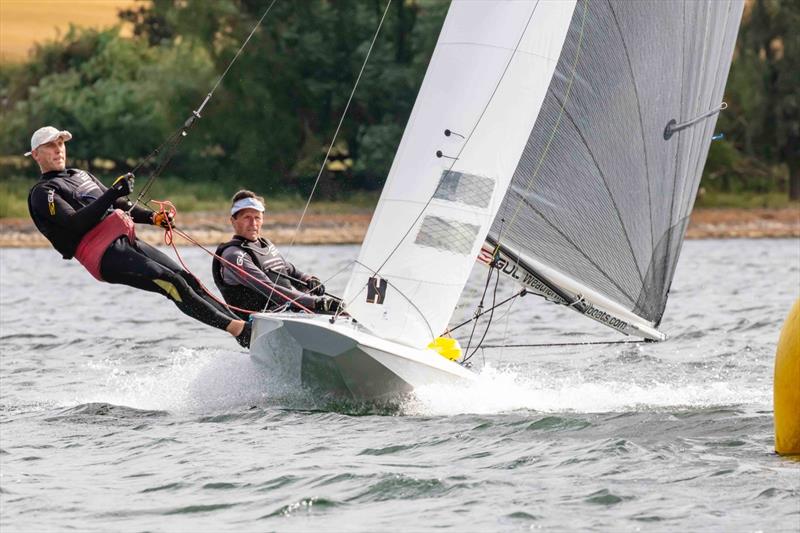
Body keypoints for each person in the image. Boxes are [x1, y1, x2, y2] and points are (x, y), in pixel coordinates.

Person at [25, 125, 253, 348]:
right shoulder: (43, 192)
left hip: (126, 240)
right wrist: (114, 191)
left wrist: (153, 218)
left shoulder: (80, 174)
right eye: (51, 146)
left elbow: (118, 203)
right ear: (36, 154)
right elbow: (76, 223)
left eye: (61, 144)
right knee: (171, 283)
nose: (58, 149)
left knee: (186, 277)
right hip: (103, 255)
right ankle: (239, 331)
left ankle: (243, 324)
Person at [212, 190, 341, 318]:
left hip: (288, 314)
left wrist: (308, 280)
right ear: (233, 221)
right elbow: (267, 289)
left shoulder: (266, 246)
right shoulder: (233, 255)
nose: (253, 223)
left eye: (257, 217)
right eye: (247, 218)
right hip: (262, 323)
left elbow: (288, 269)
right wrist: (315, 302)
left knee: (343, 312)